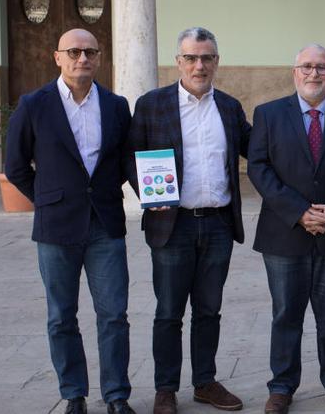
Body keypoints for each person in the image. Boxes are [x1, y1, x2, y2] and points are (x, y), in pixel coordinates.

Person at [5, 28, 135, 414]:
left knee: (114, 314)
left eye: (90, 52)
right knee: (61, 316)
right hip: (56, 227)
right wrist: (48, 200)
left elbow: (126, 159)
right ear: (57, 57)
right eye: (74, 52)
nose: (83, 58)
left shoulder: (115, 105)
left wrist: (153, 193)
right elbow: (14, 166)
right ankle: (74, 394)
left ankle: (116, 396)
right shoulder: (33, 105)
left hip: (105, 226)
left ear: (99, 57)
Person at [247, 44, 325, 414]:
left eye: (322, 67)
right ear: (294, 72)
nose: (314, 73)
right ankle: (282, 386)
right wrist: (298, 210)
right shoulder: (269, 115)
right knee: (286, 313)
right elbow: (258, 167)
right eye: (307, 66)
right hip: (284, 233)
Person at [129, 27, 251, 414]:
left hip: (217, 224)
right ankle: (166, 388)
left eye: (208, 57)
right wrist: (150, 196)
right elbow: (132, 157)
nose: (200, 65)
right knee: (168, 311)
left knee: (209, 309)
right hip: (172, 225)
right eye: (191, 58)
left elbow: (259, 150)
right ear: (178, 61)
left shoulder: (230, 108)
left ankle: (205, 382)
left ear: (217, 61)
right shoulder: (152, 104)